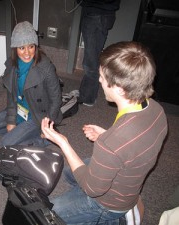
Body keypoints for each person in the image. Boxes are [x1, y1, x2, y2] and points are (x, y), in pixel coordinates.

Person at [41, 41, 168, 224]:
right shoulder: (156, 110)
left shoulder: (111, 143)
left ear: (118, 88)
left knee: (45, 213)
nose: (99, 80)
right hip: (128, 172)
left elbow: (93, 190)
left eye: (101, 76)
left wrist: (63, 142)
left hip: (108, 203)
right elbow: (134, 143)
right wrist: (105, 135)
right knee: (70, 173)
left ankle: (110, 219)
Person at [0, 21, 63, 147]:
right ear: (15, 49)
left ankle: (44, 138)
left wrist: (46, 127)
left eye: (31, 46)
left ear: (35, 46)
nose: (27, 53)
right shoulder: (12, 65)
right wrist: (11, 119)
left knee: (6, 143)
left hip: (37, 116)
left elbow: (56, 100)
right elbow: (11, 96)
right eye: (22, 48)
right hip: (19, 109)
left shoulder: (46, 68)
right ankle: (22, 130)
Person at [78, 0, 121, 106]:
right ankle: (85, 93)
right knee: (94, 57)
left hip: (95, 13)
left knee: (90, 62)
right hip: (104, 14)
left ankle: (88, 98)